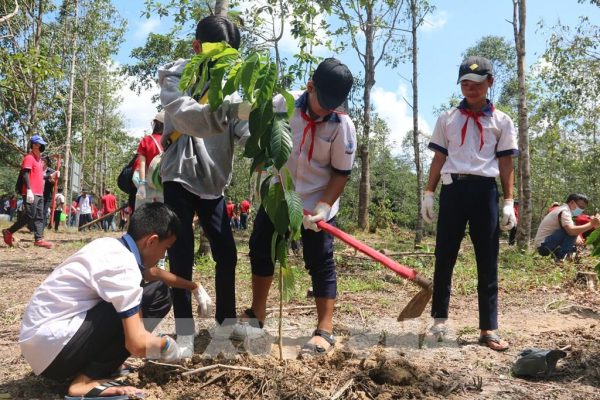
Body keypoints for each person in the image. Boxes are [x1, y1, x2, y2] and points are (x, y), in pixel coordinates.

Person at [18, 203, 211, 399]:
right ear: (152, 241)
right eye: (165, 248)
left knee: (156, 292)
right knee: (152, 301)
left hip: (44, 346)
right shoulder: (124, 267)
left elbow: (155, 273)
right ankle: (84, 382)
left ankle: (100, 363)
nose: (164, 255)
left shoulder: (110, 246)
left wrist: (194, 287)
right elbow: (136, 345)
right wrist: (166, 346)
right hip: (56, 355)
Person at [238, 58, 356, 355]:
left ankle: (325, 330)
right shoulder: (281, 105)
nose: (327, 109)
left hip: (318, 201)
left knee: (321, 260)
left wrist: (324, 207)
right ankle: (257, 315)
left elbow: (341, 173)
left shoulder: (342, 125)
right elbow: (252, 127)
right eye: (323, 101)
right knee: (261, 248)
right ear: (310, 86)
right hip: (279, 193)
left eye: (334, 104)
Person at [158, 15, 250, 355]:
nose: (222, 66)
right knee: (180, 256)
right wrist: (233, 109)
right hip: (180, 175)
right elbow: (188, 116)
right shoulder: (175, 76)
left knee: (227, 252)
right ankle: (184, 334)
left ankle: (226, 322)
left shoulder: (233, 86)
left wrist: (264, 136)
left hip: (213, 183)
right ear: (197, 47)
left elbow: (244, 129)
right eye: (217, 56)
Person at [421, 56, 518, 352]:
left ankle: (488, 327)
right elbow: (439, 158)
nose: (470, 89)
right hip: (453, 190)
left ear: (489, 83)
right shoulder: (447, 118)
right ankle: (438, 320)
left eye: (476, 83)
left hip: (485, 193)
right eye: (465, 83)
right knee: (444, 256)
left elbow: (505, 163)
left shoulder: (501, 121)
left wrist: (509, 201)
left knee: (487, 261)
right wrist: (429, 192)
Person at [2, 135, 54, 249]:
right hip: (31, 192)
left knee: (40, 216)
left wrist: (49, 177)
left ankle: (39, 240)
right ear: (34, 145)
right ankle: (8, 231)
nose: (42, 146)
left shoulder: (39, 160)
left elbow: (39, 176)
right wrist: (29, 189)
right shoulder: (29, 158)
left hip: (39, 193)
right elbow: (25, 174)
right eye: (40, 144)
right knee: (30, 216)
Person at [534, 194, 600, 260]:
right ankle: (560, 257)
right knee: (572, 232)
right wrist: (591, 224)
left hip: (546, 244)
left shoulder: (564, 210)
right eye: (580, 207)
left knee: (573, 232)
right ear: (572, 202)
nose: (581, 210)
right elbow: (571, 231)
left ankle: (564, 255)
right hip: (543, 246)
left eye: (583, 208)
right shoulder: (565, 211)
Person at [135, 111, 165, 210]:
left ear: (156, 124)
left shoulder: (146, 140)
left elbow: (142, 165)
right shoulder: (171, 140)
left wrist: (141, 184)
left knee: (142, 218)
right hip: (165, 186)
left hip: (149, 185)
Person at [42, 155, 59, 228]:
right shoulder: (38, 169)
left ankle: (41, 228)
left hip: (47, 194)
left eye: (43, 161)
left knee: (44, 211)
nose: (42, 162)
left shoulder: (52, 171)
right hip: (37, 193)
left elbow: (54, 182)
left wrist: (52, 180)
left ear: (47, 162)